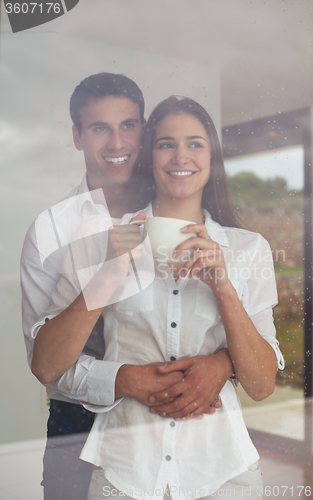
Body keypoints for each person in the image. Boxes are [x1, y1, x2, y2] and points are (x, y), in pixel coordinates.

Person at [41, 96, 284, 499]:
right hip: (124, 472)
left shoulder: (247, 248)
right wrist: (109, 275)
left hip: (223, 474)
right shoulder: (100, 241)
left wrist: (223, 288)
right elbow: (49, 365)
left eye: (195, 143)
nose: (180, 156)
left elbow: (261, 384)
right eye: (165, 143)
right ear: (149, 156)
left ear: (212, 158)